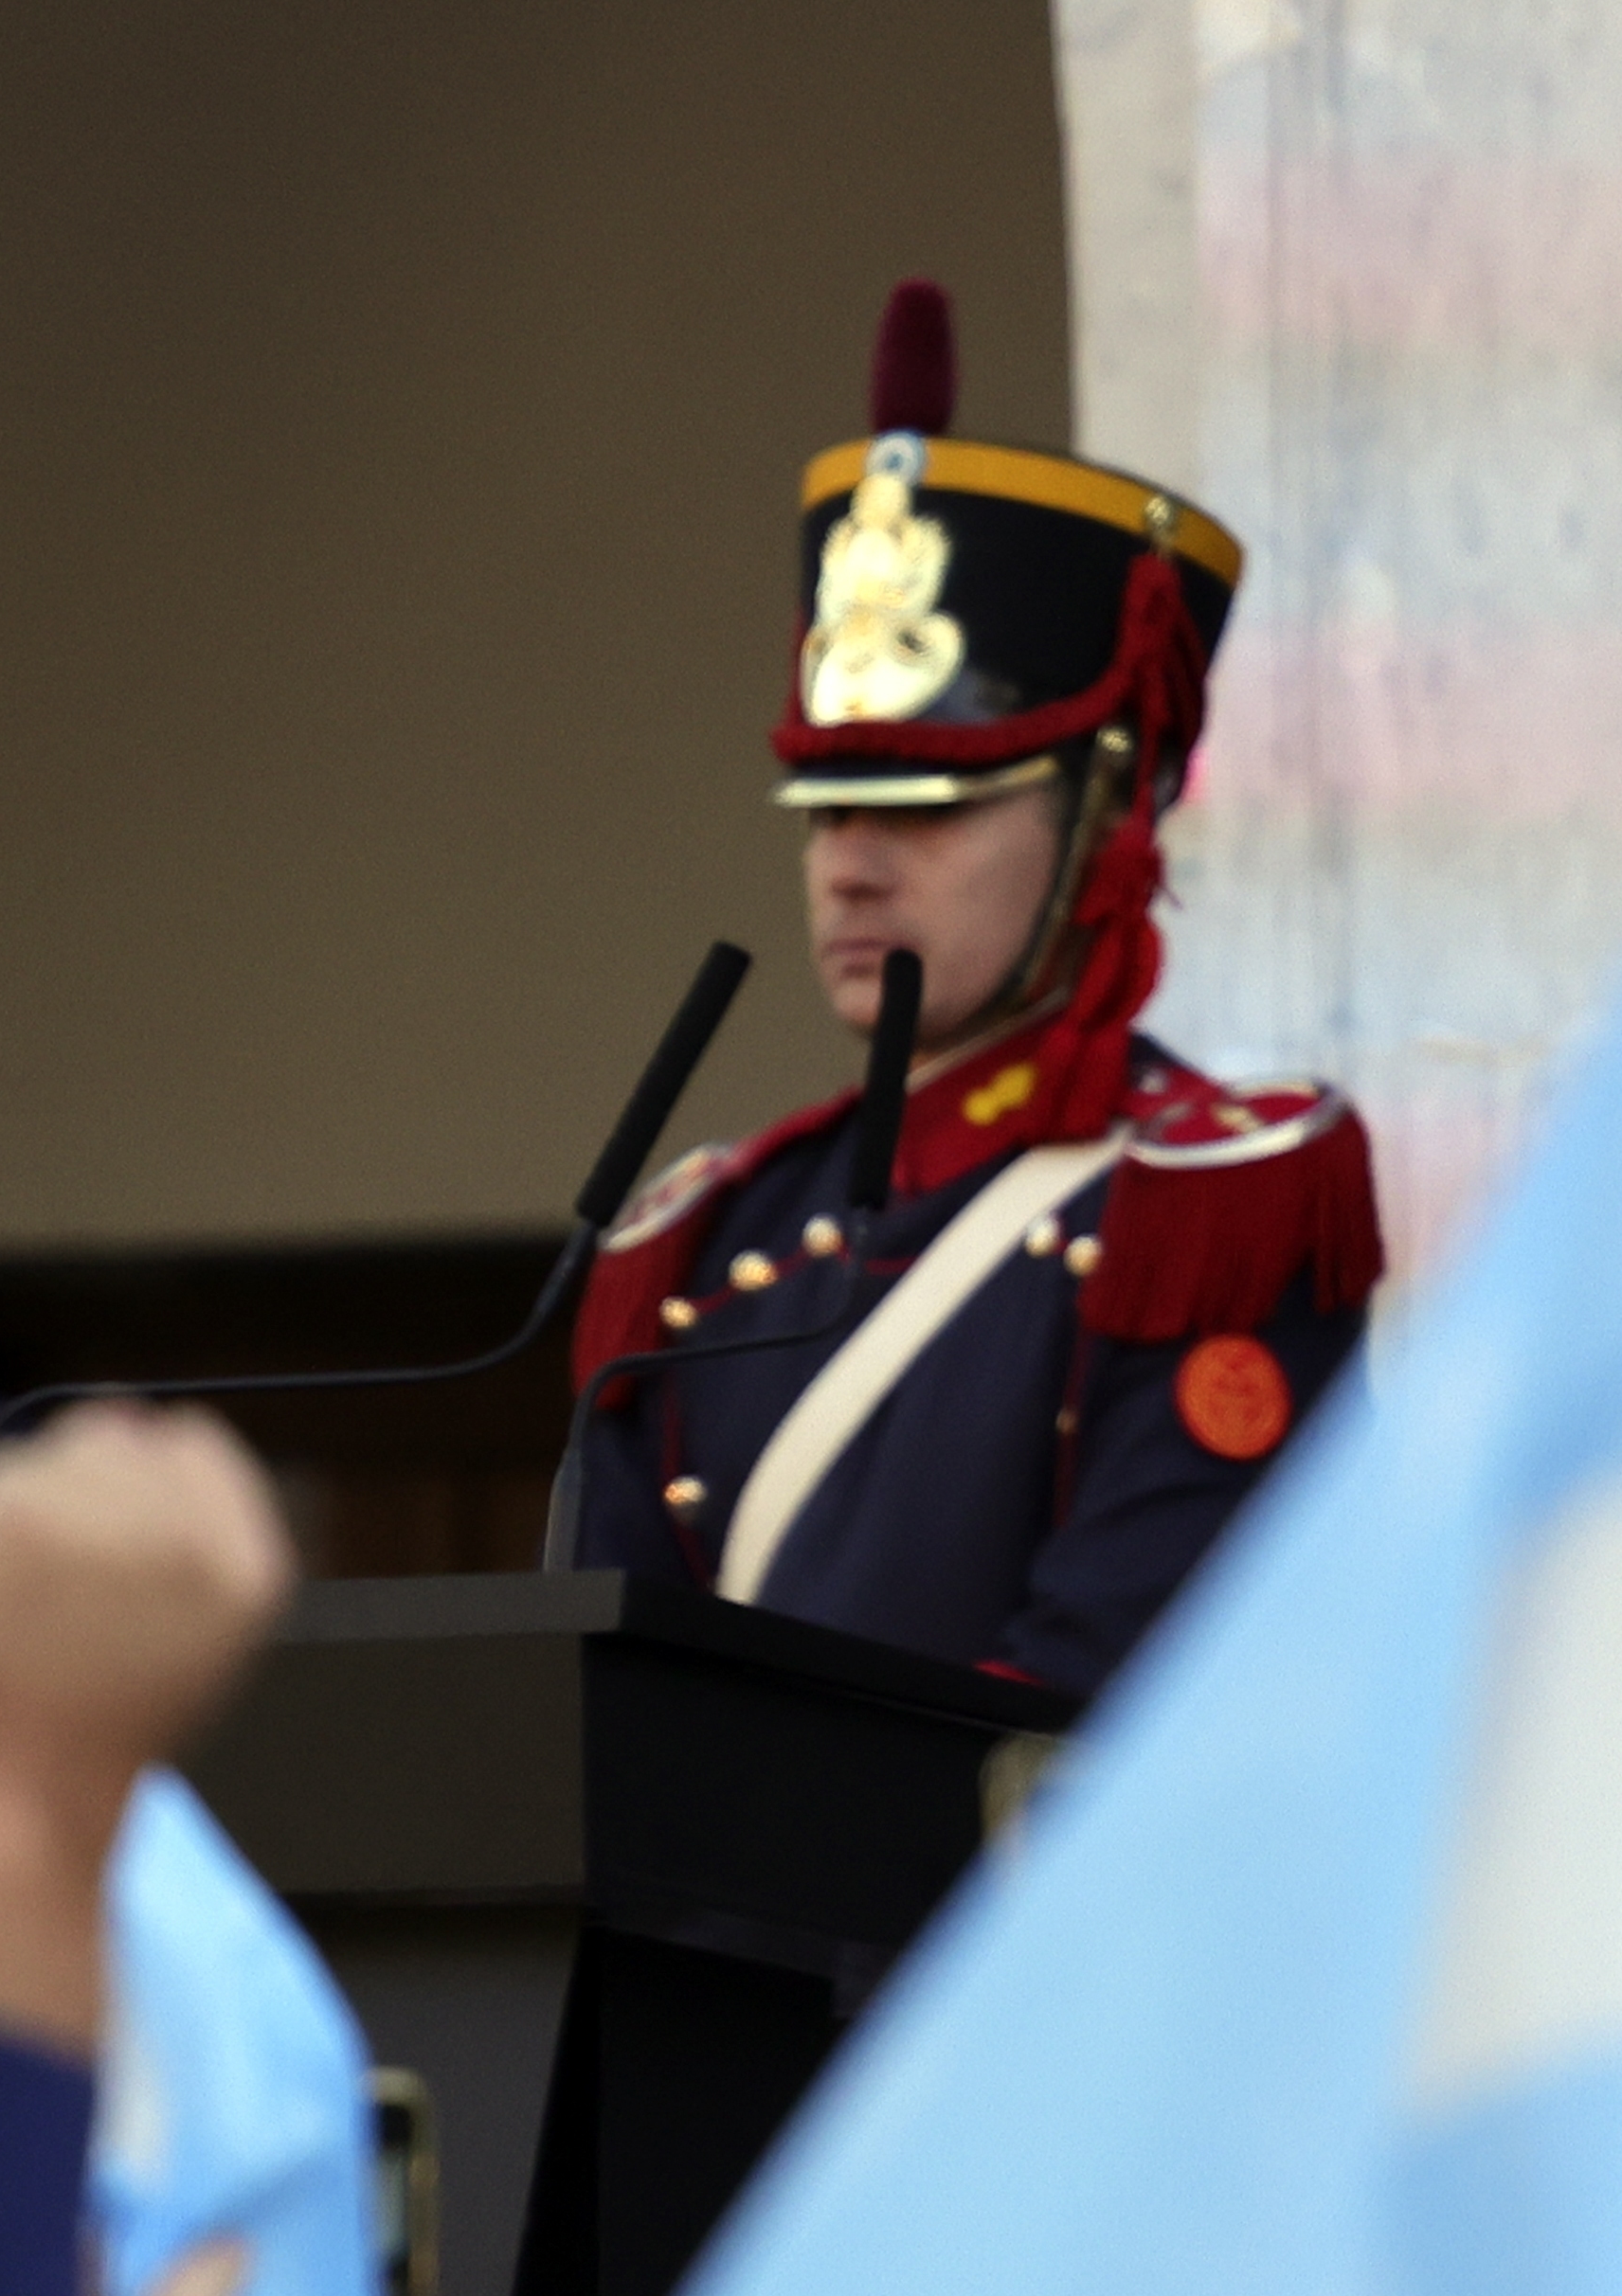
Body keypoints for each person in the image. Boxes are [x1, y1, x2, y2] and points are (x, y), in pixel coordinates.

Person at [568, 278, 1377, 1696]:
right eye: (828, 809)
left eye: (925, 809)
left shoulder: (1202, 1209)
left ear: (1107, 815)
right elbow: (586, 1717)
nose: (850, 868)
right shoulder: (700, 1239)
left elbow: (1117, 1707)